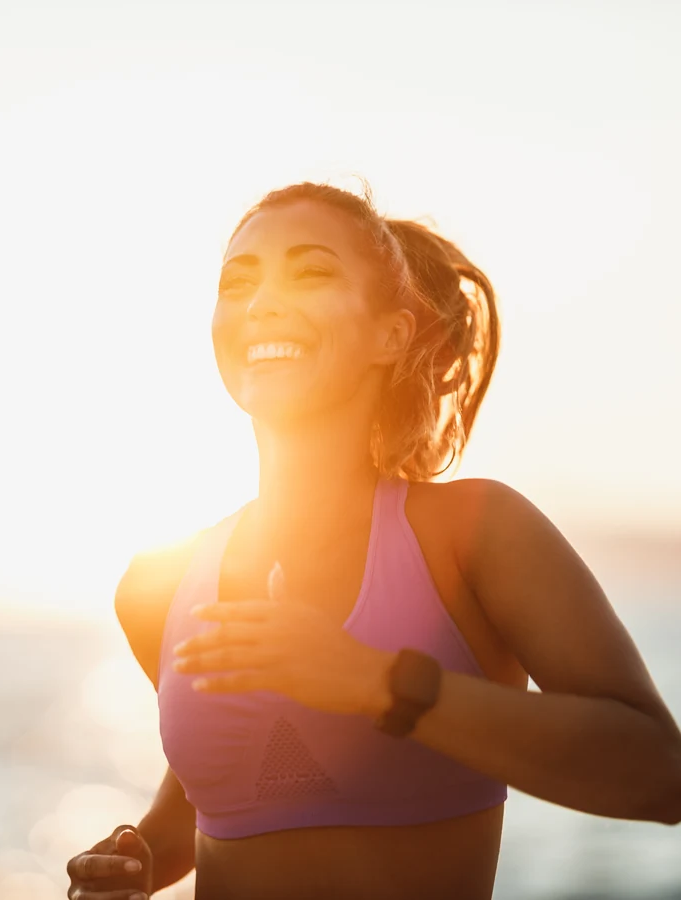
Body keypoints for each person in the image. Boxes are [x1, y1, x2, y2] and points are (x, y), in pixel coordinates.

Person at [66, 181, 681, 900]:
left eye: (312, 271)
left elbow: (658, 776)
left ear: (390, 334)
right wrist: (134, 865)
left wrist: (375, 682)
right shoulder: (157, 587)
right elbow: (214, 808)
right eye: (239, 282)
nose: (262, 301)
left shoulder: (474, 535)